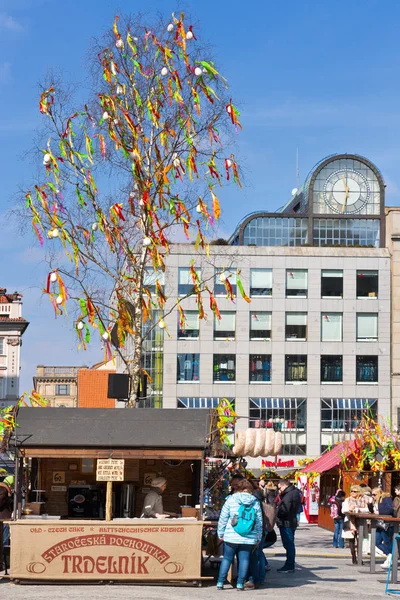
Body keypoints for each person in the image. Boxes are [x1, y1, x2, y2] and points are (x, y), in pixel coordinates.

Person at [217, 479, 263, 591]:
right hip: (248, 537)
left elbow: (223, 518)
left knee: (227, 558)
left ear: (238, 488)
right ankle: (240, 584)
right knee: (244, 560)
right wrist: (258, 537)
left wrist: (220, 533)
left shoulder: (230, 500)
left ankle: (220, 582)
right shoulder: (255, 502)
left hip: (231, 536)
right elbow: (259, 521)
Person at [276, 479, 300, 573]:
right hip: (290, 521)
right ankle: (290, 564)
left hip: (287, 522)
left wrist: (278, 515)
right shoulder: (293, 493)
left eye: (280, 488)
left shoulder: (289, 495)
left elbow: (285, 509)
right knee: (289, 544)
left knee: (289, 544)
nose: (279, 490)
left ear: (284, 485)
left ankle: (289, 565)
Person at [342, 484, 369, 564]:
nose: (352, 493)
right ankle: (353, 557)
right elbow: (343, 510)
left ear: (359, 492)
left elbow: (367, 509)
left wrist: (359, 509)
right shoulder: (347, 500)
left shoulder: (363, 500)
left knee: (360, 539)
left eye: (355, 491)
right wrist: (349, 510)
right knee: (351, 540)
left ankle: (359, 557)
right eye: (351, 491)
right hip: (350, 522)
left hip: (360, 521)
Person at [370, 487, 394, 568]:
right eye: (372, 495)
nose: (373, 496)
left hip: (387, 523)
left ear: (379, 493)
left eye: (374, 494)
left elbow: (390, 510)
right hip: (380, 524)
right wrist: (369, 503)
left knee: (387, 541)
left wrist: (379, 512)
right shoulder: (376, 501)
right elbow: (372, 511)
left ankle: (391, 557)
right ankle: (390, 555)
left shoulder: (386, 498)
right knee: (376, 541)